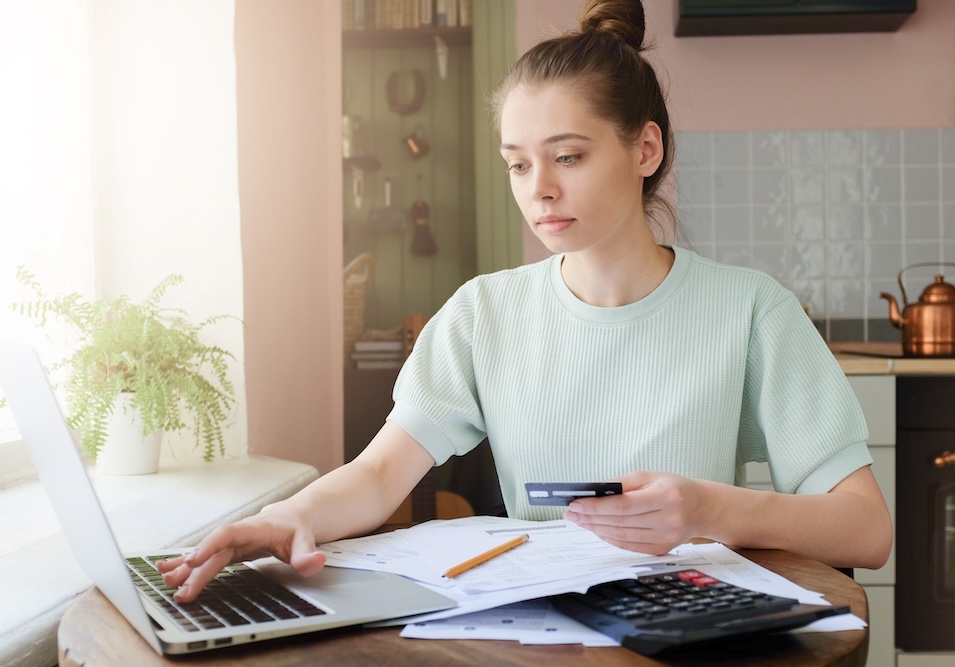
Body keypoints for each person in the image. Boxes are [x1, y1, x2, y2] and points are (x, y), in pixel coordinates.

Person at [159, 0, 892, 602]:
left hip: (689, 634)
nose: (537, 188)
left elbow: (866, 529)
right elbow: (381, 475)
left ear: (645, 150)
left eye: (567, 156)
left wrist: (711, 511)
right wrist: (282, 518)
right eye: (518, 163)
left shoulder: (753, 311)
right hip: (539, 634)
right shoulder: (483, 315)